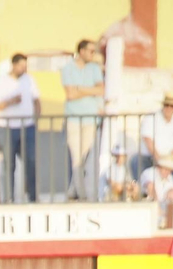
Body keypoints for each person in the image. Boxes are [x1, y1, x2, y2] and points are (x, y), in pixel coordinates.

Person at [0, 53, 39, 204]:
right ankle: (8, 198)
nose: (24, 69)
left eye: (25, 66)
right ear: (13, 65)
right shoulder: (0, 82)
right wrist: (10, 102)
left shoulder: (29, 80)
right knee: (9, 164)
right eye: (21, 65)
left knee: (31, 160)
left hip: (27, 126)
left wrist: (36, 117)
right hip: (6, 127)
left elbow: (36, 100)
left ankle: (32, 196)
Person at [61, 39, 104, 199]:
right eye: (91, 51)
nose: (93, 55)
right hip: (73, 118)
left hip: (90, 119)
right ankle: (83, 195)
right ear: (81, 51)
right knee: (76, 157)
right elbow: (70, 95)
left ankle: (73, 190)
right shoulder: (68, 69)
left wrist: (80, 88)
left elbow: (100, 90)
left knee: (82, 157)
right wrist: (91, 91)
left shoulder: (94, 69)